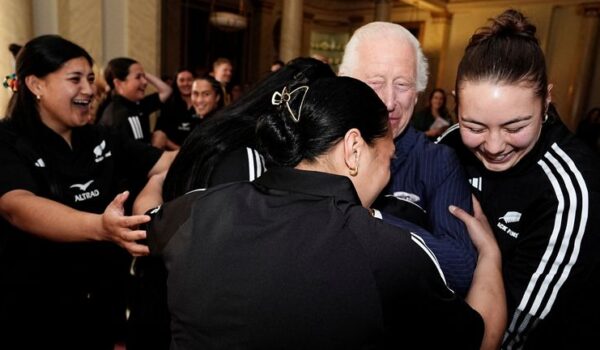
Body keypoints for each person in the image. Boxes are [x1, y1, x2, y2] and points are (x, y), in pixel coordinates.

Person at [142, 76, 506, 349]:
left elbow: (144, 223)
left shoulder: (194, 209)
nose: (388, 173)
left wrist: (155, 181)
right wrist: (490, 255)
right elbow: (482, 337)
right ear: (354, 148)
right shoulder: (384, 253)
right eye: (388, 158)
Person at [0, 35, 175, 350]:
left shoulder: (100, 138)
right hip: (35, 308)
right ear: (36, 85)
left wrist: (156, 181)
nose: (89, 89)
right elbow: (18, 206)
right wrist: (100, 227)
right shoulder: (8, 140)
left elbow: (166, 163)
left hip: (103, 304)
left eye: (91, 79)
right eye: (75, 79)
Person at [438, 9, 600, 349]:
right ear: (456, 106)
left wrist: (489, 253)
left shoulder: (569, 187)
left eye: (515, 127)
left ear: (546, 101)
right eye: (475, 126)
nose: (494, 146)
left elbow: (519, 325)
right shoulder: (449, 143)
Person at [339, 21, 477, 296]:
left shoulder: (437, 161)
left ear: (418, 93)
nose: (389, 101)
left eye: (402, 84)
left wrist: (370, 218)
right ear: (346, 83)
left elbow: (460, 268)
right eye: (375, 82)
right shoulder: (323, 147)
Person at [98, 57, 172, 144]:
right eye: (138, 77)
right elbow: (137, 155)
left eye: (144, 77)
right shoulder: (122, 115)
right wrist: (156, 146)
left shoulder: (136, 104)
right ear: (118, 83)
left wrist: (140, 71)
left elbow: (167, 91)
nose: (145, 82)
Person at [152, 68, 195, 150]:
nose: (186, 83)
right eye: (181, 80)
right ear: (176, 83)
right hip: (172, 154)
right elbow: (159, 135)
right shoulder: (168, 104)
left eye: (189, 80)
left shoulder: (202, 104)